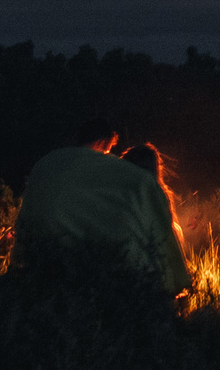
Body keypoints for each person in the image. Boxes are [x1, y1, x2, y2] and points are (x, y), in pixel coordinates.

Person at [15, 118, 192, 294]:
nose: (108, 157)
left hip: (40, 259)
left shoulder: (48, 162)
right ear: (101, 143)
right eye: (108, 151)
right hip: (101, 273)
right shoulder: (117, 174)